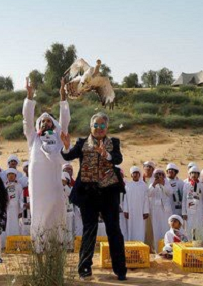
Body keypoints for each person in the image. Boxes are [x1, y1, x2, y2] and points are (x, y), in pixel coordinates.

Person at [61, 111, 127, 281]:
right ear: (90, 127)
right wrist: (66, 146)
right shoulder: (82, 143)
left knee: (114, 230)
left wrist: (107, 154)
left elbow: (118, 159)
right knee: (89, 230)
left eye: (102, 125)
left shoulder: (114, 143)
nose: (99, 128)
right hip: (88, 194)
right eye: (95, 125)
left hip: (109, 193)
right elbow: (68, 155)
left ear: (107, 127)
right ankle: (84, 269)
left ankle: (120, 269)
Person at [23, 77, 69, 251]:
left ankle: (56, 246)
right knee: (39, 212)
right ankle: (39, 248)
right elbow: (27, 122)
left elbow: (65, 123)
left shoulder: (58, 139)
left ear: (53, 124)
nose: (45, 123)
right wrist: (29, 97)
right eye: (42, 121)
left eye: (48, 121)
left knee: (56, 209)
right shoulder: (33, 138)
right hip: (37, 183)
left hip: (54, 181)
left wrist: (63, 98)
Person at [148, 168, 173, 253]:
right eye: (157, 174)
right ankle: (157, 249)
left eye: (161, 174)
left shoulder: (166, 183)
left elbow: (170, 192)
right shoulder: (152, 183)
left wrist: (163, 184)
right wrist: (154, 184)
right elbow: (148, 194)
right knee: (156, 229)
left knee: (166, 228)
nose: (159, 176)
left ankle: (167, 249)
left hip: (166, 211)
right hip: (155, 211)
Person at [182, 166, 203, 241]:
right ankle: (189, 243)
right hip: (189, 210)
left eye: (195, 173)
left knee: (198, 227)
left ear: (198, 175)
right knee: (189, 227)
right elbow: (184, 199)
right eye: (192, 173)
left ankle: (199, 244)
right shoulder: (186, 185)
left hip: (199, 211)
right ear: (189, 175)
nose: (194, 175)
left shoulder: (202, 185)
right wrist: (184, 212)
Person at [4, 168, 23, 236]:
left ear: (15, 176)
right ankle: (7, 241)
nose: (11, 176)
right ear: (7, 176)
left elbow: (21, 198)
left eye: (13, 174)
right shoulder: (4, 185)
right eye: (9, 174)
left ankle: (16, 241)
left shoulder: (19, 185)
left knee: (16, 224)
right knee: (8, 224)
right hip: (7, 208)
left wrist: (21, 210)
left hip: (16, 208)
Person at [63, 171, 75, 249]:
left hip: (69, 212)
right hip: (62, 213)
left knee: (69, 230)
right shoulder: (60, 188)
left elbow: (70, 194)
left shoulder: (70, 188)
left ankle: (70, 247)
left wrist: (64, 185)